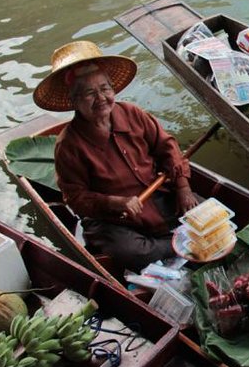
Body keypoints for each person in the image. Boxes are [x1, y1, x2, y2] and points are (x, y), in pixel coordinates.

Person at [33, 41, 198, 272]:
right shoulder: (68, 145)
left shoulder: (132, 113)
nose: (100, 98)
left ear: (113, 89)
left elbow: (166, 146)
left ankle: (173, 242)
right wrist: (114, 202)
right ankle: (176, 246)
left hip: (157, 194)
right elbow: (75, 198)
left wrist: (182, 187)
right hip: (114, 218)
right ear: (74, 101)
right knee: (128, 250)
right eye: (90, 93)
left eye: (105, 89)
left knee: (201, 210)